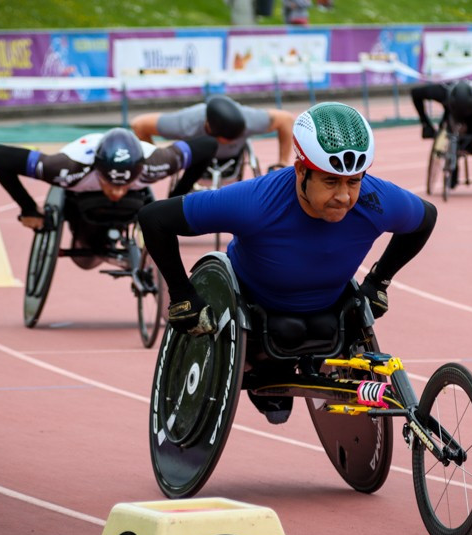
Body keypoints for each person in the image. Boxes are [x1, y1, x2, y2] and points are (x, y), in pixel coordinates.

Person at [137, 102, 437, 424]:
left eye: (354, 181)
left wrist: (379, 281)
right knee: (282, 363)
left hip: (329, 316)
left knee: (322, 327)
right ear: (301, 171)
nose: (345, 197)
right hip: (256, 314)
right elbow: (154, 219)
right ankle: (266, 369)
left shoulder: (375, 200)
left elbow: (426, 217)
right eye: (331, 182)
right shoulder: (255, 201)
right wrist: (183, 295)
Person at [0, 127, 208, 268]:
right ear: (98, 171)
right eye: (111, 184)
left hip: (133, 202)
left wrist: (176, 198)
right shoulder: (66, 168)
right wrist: (29, 209)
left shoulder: (158, 162)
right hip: (80, 202)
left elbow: (208, 146)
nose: (118, 192)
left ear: (140, 171)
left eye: (125, 185)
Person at [130, 94, 295, 193]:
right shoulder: (187, 121)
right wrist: (157, 160)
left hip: (233, 162)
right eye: (227, 138)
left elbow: (286, 120)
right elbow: (139, 124)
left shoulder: (249, 118)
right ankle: (176, 197)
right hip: (194, 164)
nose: (231, 140)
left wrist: (282, 162)